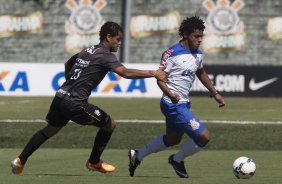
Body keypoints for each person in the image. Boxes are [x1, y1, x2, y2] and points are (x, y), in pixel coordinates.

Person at [11, 21, 167, 175]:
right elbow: (125, 73)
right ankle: (94, 162)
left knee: (50, 130)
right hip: (74, 103)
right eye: (118, 39)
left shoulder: (88, 50)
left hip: (60, 97)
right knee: (110, 124)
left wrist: (70, 82)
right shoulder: (105, 55)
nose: (119, 43)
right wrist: (153, 73)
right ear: (108, 37)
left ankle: (20, 160)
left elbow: (67, 64)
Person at [128, 16, 225, 178]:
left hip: (183, 103)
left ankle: (137, 155)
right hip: (172, 104)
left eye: (201, 36)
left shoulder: (198, 54)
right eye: (196, 36)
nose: (199, 40)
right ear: (186, 34)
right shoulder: (171, 53)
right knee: (204, 136)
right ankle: (177, 159)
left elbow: (200, 72)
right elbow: (160, 79)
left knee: (173, 139)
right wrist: (171, 94)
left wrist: (215, 93)